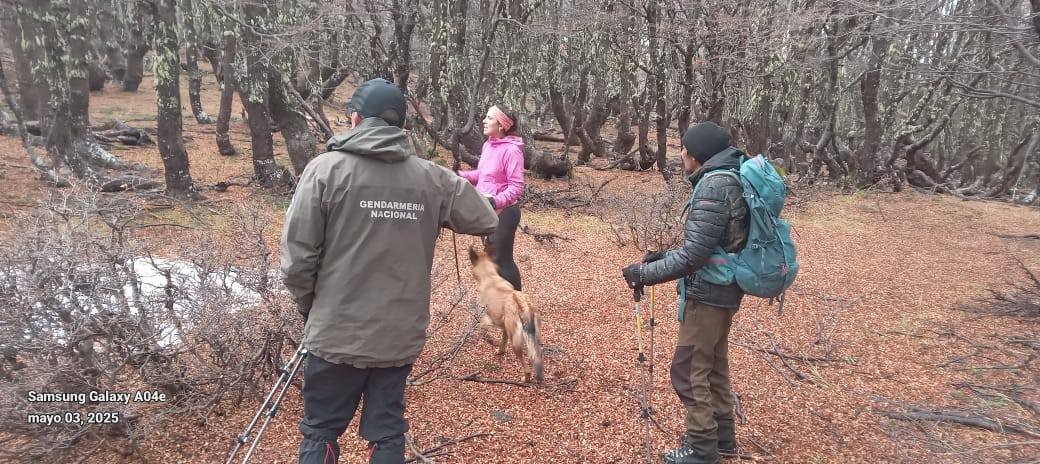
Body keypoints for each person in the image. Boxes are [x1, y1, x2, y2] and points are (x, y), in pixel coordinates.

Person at [280, 78, 499, 464]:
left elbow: (298, 259)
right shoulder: (431, 178)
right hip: (398, 335)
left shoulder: (325, 171)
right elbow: (485, 217)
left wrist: (310, 308)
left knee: (322, 428)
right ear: (400, 127)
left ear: (355, 118)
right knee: (386, 431)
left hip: (335, 331)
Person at [621, 121, 750, 464]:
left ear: (695, 154)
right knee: (712, 365)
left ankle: (702, 450)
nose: (682, 154)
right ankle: (723, 439)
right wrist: (663, 256)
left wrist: (644, 274)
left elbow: (694, 256)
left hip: (708, 293)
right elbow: (707, 244)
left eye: (684, 149)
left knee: (687, 369)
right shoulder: (729, 178)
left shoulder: (713, 186)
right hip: (725, 288)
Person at [458, 105, 525, 290]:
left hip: (505, 212)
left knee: (502, 260)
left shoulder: (512, 151)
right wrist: (457, 175)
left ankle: (519, 308)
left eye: (489, 118)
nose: (484, 121)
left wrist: (495, 201)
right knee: (492, 260)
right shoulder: (488, 145)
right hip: (488, 210)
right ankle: (500, 306)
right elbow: (482, 175)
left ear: (501, 125)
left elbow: (517, 187)